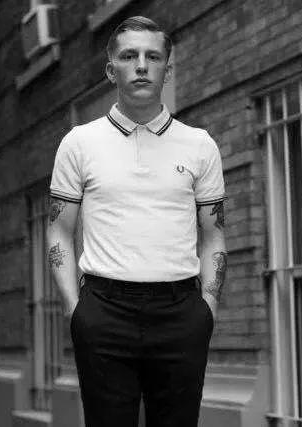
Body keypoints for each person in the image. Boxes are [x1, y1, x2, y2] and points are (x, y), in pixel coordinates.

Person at [46, 15, 226, 427]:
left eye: (153, 56)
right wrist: (75, 311)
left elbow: (214, 235)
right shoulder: (79, 143)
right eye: (129, 56)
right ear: (112, 70)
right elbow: (59, 229)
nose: (141, 66)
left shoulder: (200, 145)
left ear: (168, 69)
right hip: (103, 312)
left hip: (181, 313)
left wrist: (207, 311)